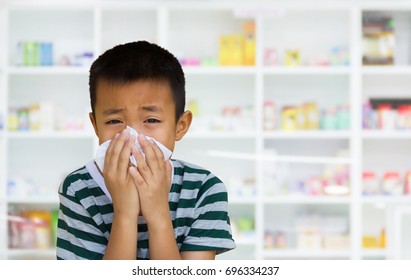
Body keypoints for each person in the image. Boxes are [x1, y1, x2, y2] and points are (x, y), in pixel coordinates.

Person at [56, 41, 236, 260]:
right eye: (114, 121)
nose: (132, 136)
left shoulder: (204, 190)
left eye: (151, 119)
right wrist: (125, 214)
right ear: (95, 126)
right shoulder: (78, 190)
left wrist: (158, 215)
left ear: (181, 126)